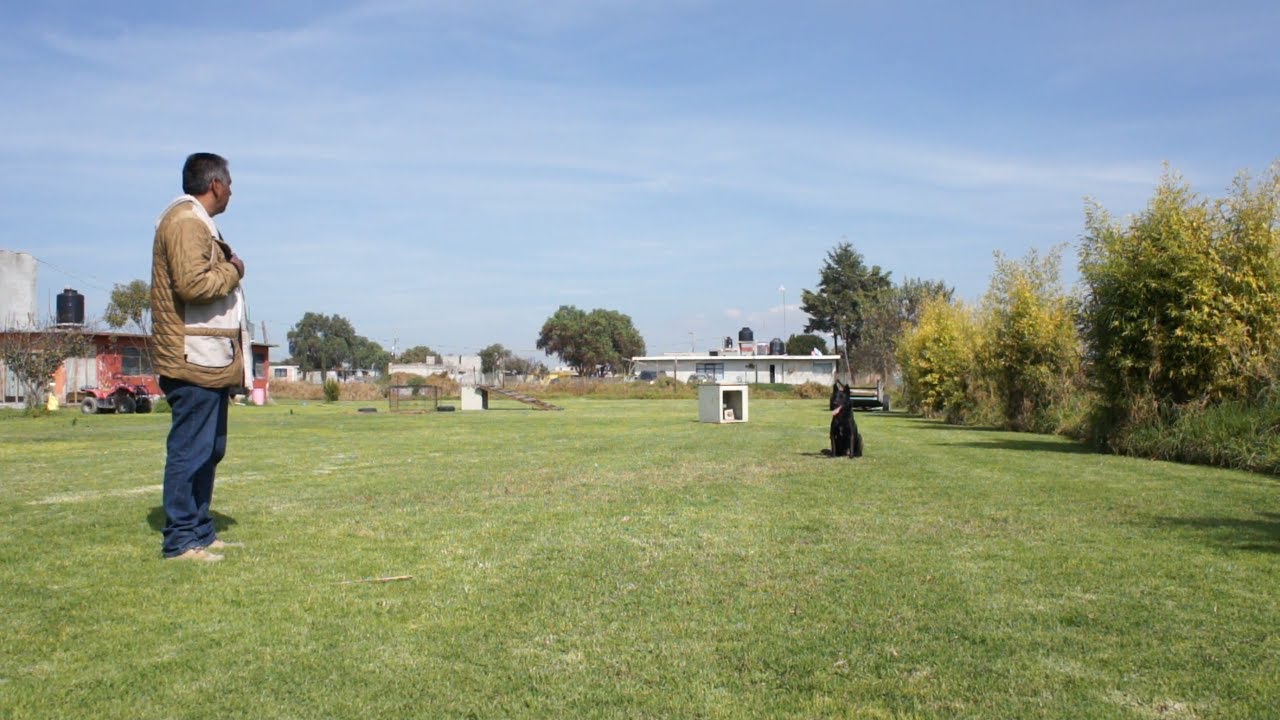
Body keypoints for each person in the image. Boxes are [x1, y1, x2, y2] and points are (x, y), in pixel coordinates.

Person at [151, 153, 251, 562]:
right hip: (192, 359)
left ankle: (200, 532)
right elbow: (193, 286)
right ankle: (180, 541)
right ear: (215, 185)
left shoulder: (196, 223)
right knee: (191, 449)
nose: (231, 190)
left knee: (210, 449)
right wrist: (235, 270)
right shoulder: (186, 222)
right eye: (229, 183)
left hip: (208, 358)